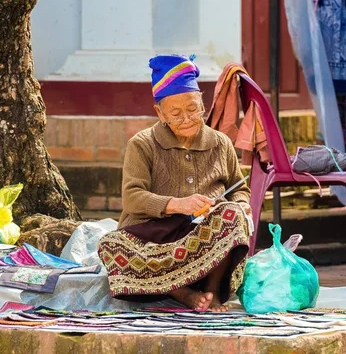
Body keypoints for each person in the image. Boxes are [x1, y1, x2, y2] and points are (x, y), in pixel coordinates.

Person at [98, 54, 252, 312]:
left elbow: (240, 188)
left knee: (232, 215)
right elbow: (132, 198)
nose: (187, 118)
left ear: (202, 104)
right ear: (159, 112)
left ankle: (211, 292)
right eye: (176, 113)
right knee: (111, 246)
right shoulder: (142, 144)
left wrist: (242, 206)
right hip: (157, 236)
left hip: (203, 237)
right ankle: (184, 294)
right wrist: (178, 204)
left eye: (193, 109)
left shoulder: (220, 143)